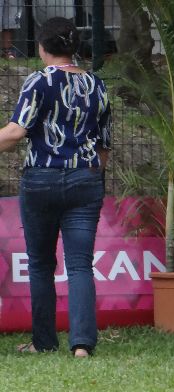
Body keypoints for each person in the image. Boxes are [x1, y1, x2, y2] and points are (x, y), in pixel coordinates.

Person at [0, 17, 111, 356]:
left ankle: (44, 341)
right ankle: (82, 346)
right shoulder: (97, 85)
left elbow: (16, 132)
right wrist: (90, 174)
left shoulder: (38, 81)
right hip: (86, 180)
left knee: (40, 263)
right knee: (79, 263)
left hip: (42, 181)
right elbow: (104, 144)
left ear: (43, 49)